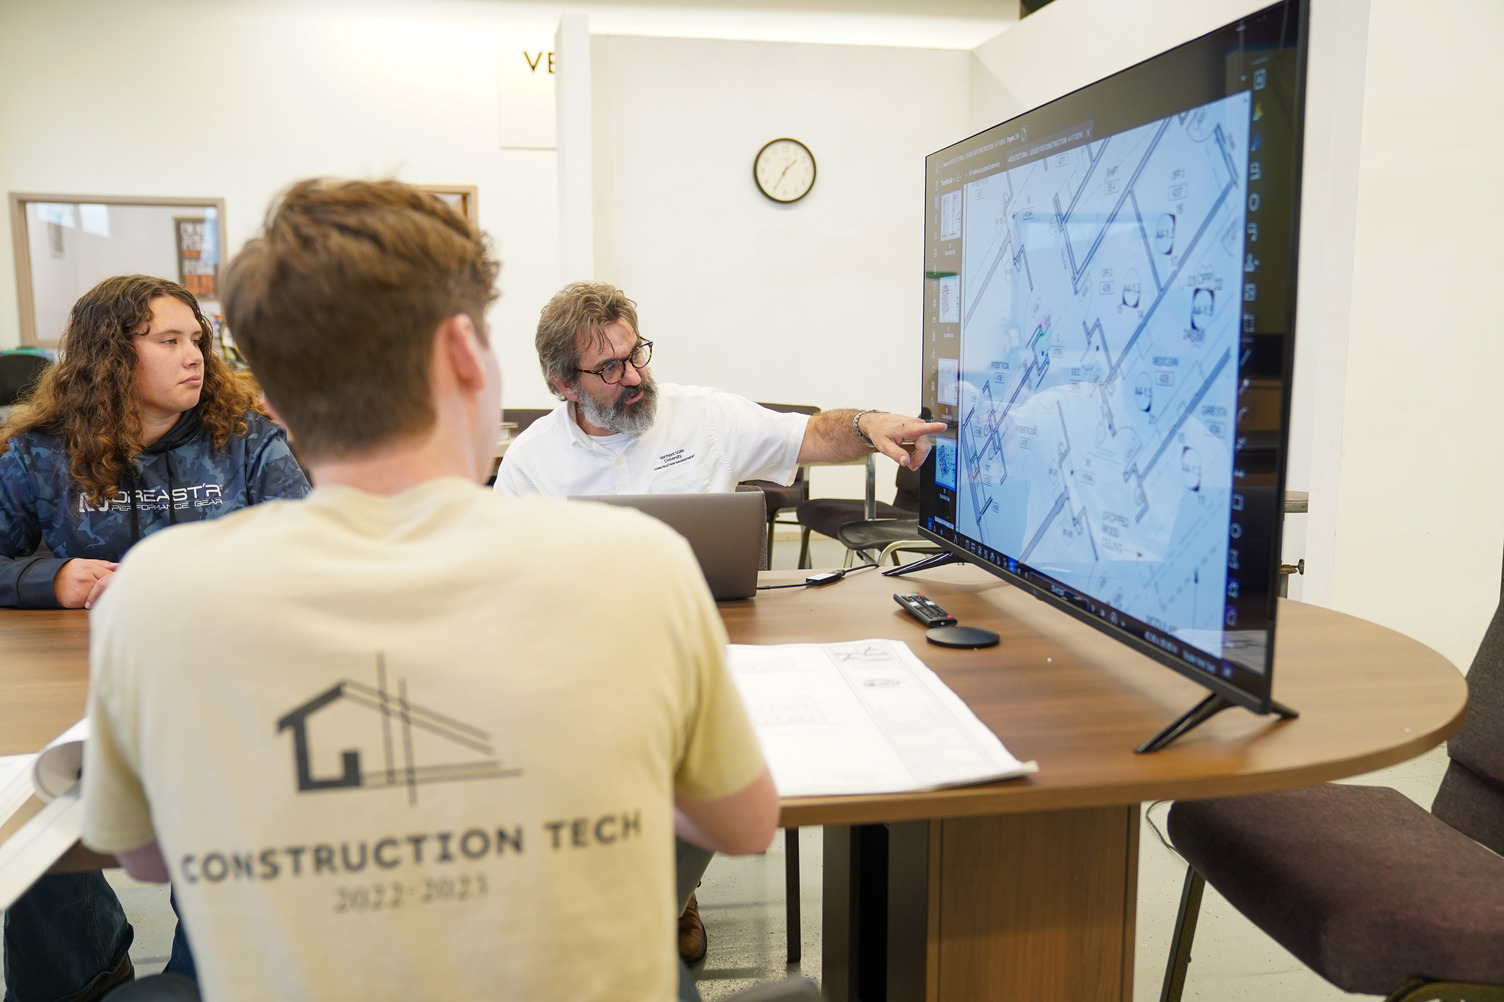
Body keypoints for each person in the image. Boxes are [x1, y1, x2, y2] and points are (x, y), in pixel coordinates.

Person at [78, 179, 779, 1002]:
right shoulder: (638, 565)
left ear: (271, 400)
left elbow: (149, 857)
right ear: (462, 354)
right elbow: (743, 822)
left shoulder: (153, 601)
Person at [494, 280, 945, 960]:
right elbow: (504, 585)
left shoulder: (700, 416)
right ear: (565, 385)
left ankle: (667, 892)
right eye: (610, 368)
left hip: (708, 644)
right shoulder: (533, 461)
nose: (636, 376)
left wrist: (869, 426)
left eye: (636, 353)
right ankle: (636, 898)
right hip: (589, 658)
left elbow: (811, 434)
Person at [0, 275, 309, 1002]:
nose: (194, 357)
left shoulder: (247, 442)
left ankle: (202, 982)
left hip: (216, 685)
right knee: (29, 826)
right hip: (77, 688)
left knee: (223, 819)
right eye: (169, 341)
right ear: (112, 356)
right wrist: (51, 577)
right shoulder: (38, 456)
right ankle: (84, 974)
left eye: (196, 340)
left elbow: (308, 550)